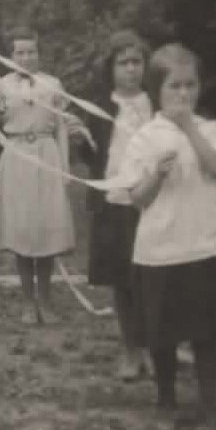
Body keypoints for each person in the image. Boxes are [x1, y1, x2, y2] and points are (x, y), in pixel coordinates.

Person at [120, 44, 216, 430]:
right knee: (163, 333)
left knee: (206, 332)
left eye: (191, 85)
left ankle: (210, 405)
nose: (184, 94)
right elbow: (136, 197)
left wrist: (190, 128)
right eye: (174, 86)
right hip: (161, 248)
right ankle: (166, 402)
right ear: (157, 89)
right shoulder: (144, 137)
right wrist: (155, 175)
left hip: (207, 243)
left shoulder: (209, 129)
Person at [0, 28, 74, 325]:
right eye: (20, 52)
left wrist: (65, 167)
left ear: (39, 53)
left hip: (46, 153)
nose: (26, 57)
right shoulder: (2, 87)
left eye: (32, 51)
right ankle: (28, 302)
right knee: (23, 229)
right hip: (16, 154)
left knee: (45, 230)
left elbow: (62, 127)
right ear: (11, 55)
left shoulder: (52, 85)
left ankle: (46, 300)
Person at [80, 30, 152, 381]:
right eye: (123, 63)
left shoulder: (155, 102)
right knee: (123, 280)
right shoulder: (101, 105)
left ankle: (156, 347)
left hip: (152, 201)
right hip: (114, 201)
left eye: (137, 62)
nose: (131, 69)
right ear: (111, 68)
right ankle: (130, 350)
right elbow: (92, 156)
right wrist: (79, 135)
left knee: (153, 277)